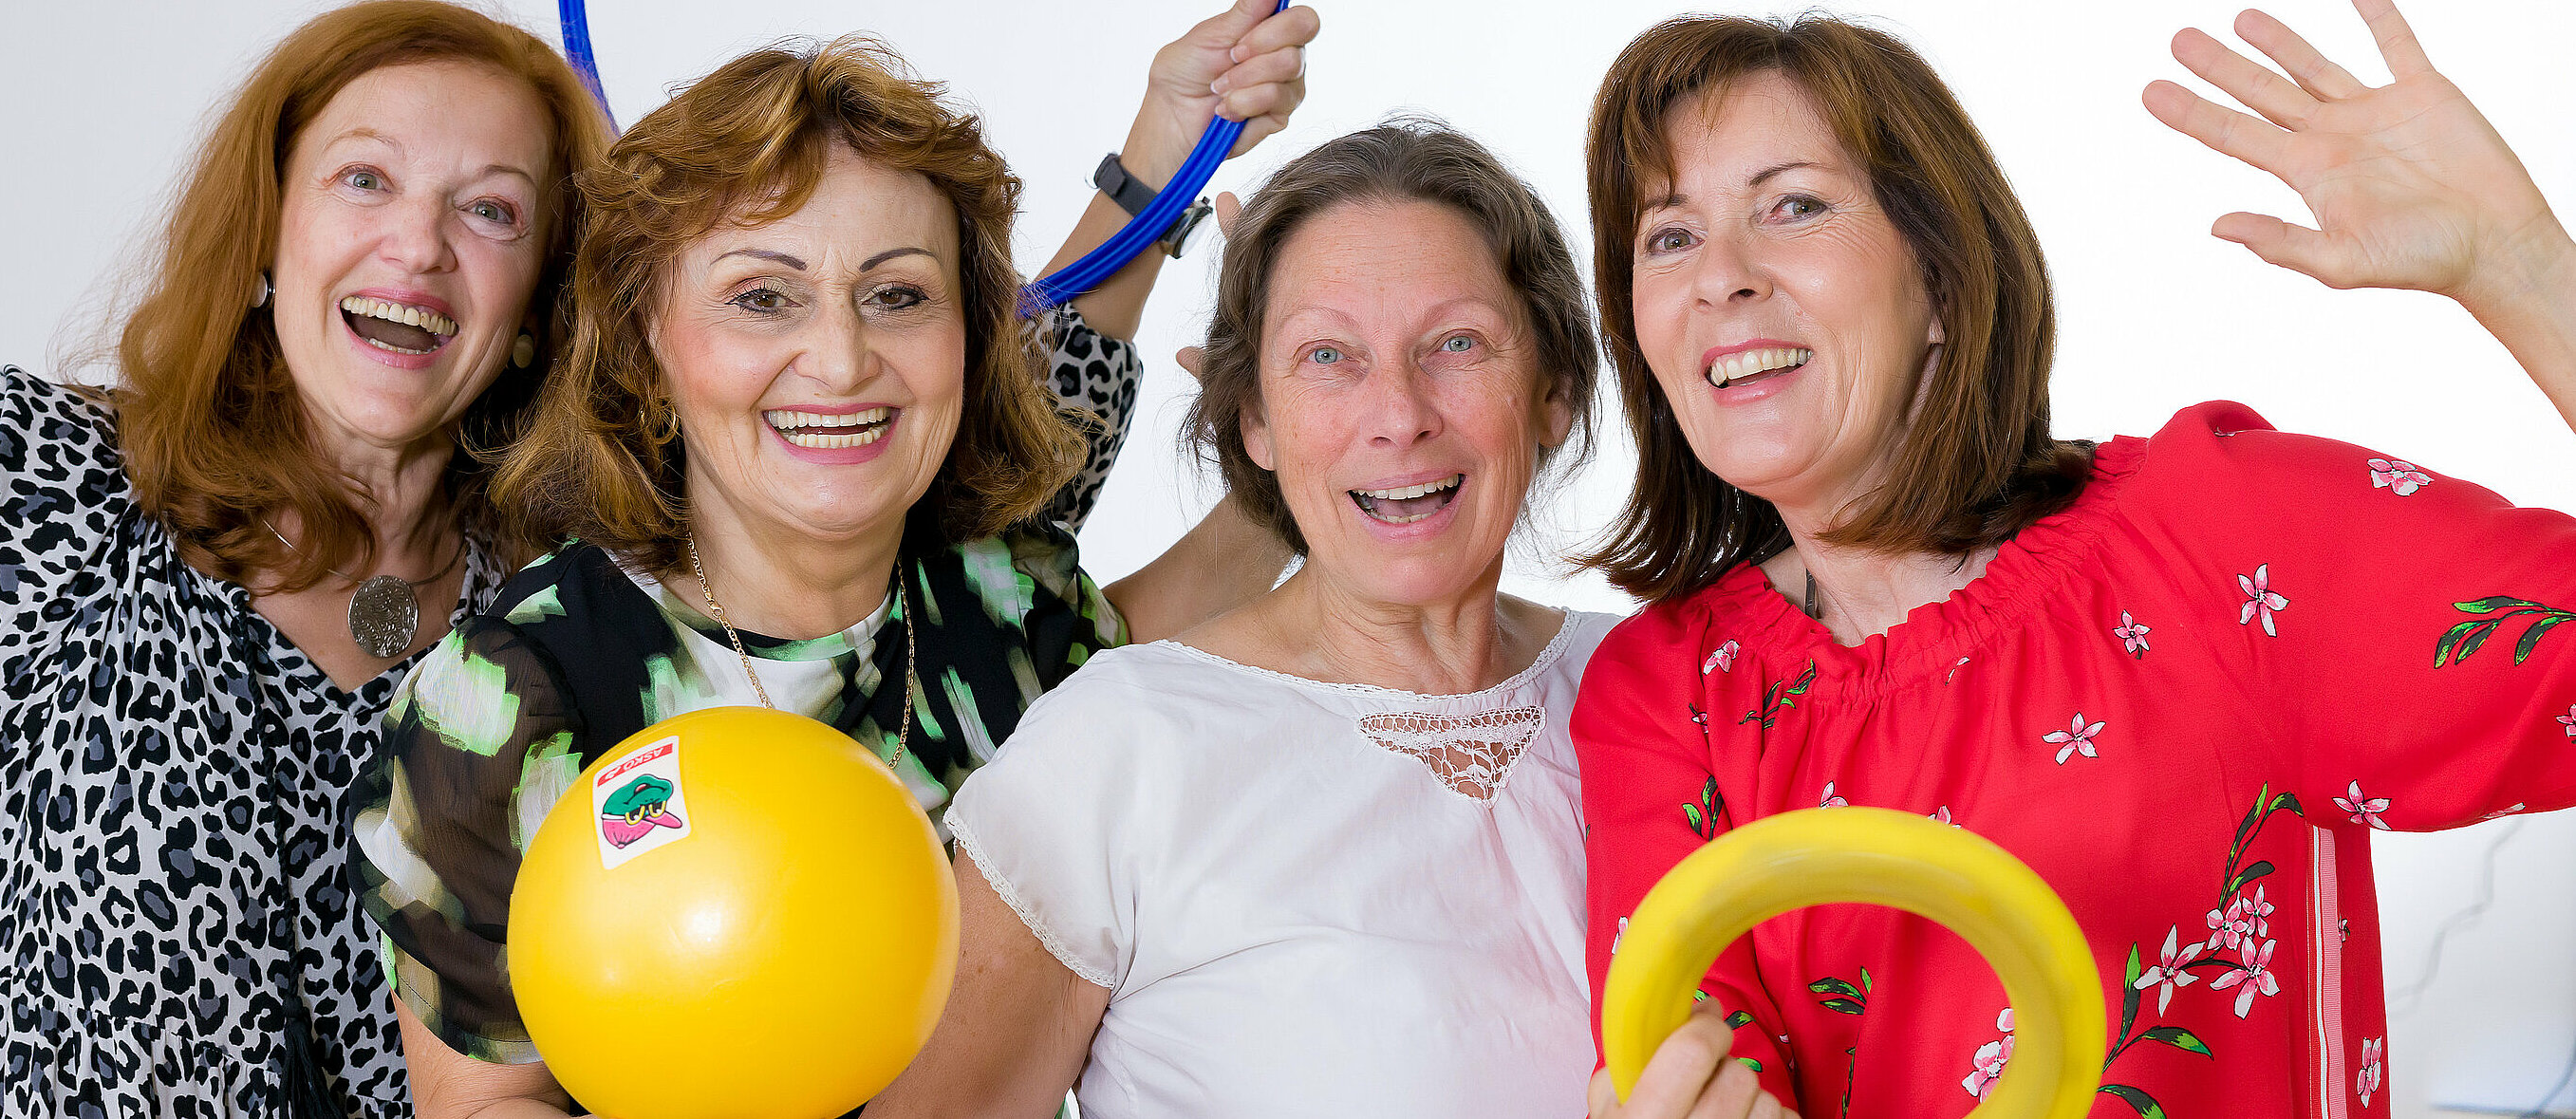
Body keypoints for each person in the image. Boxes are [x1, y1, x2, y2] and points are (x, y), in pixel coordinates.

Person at [1573, 3, 2576, 1115]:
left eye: (1792, 205)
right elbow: (1690, 1050)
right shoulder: (1663, 695)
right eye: (1668, 236)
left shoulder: (2217, 540)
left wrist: (2523, 265)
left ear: (1942, 285)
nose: (1720, 276)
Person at [345, 7, 1319, 1115]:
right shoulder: (506, 699)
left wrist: (1318, 437)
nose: (843, 359)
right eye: (763, 296)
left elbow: (1145, 663)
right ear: (647, 345)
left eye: (898, 295)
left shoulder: (1015, 602)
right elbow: (483, 1105)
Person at [0, 4, 614, 1113]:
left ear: (540, 297)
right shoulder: (35, 487)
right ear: (266, 229)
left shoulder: (569, 632)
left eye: (490, 209)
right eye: (364, 180)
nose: (418, 245)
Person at [866, 120, 1614, 1119]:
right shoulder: (1118, 744)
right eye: (1326, 356)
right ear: (1253, 422)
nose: (1398, 413)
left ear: (1553, 392)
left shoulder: (1670, 693)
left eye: (1456, 343)